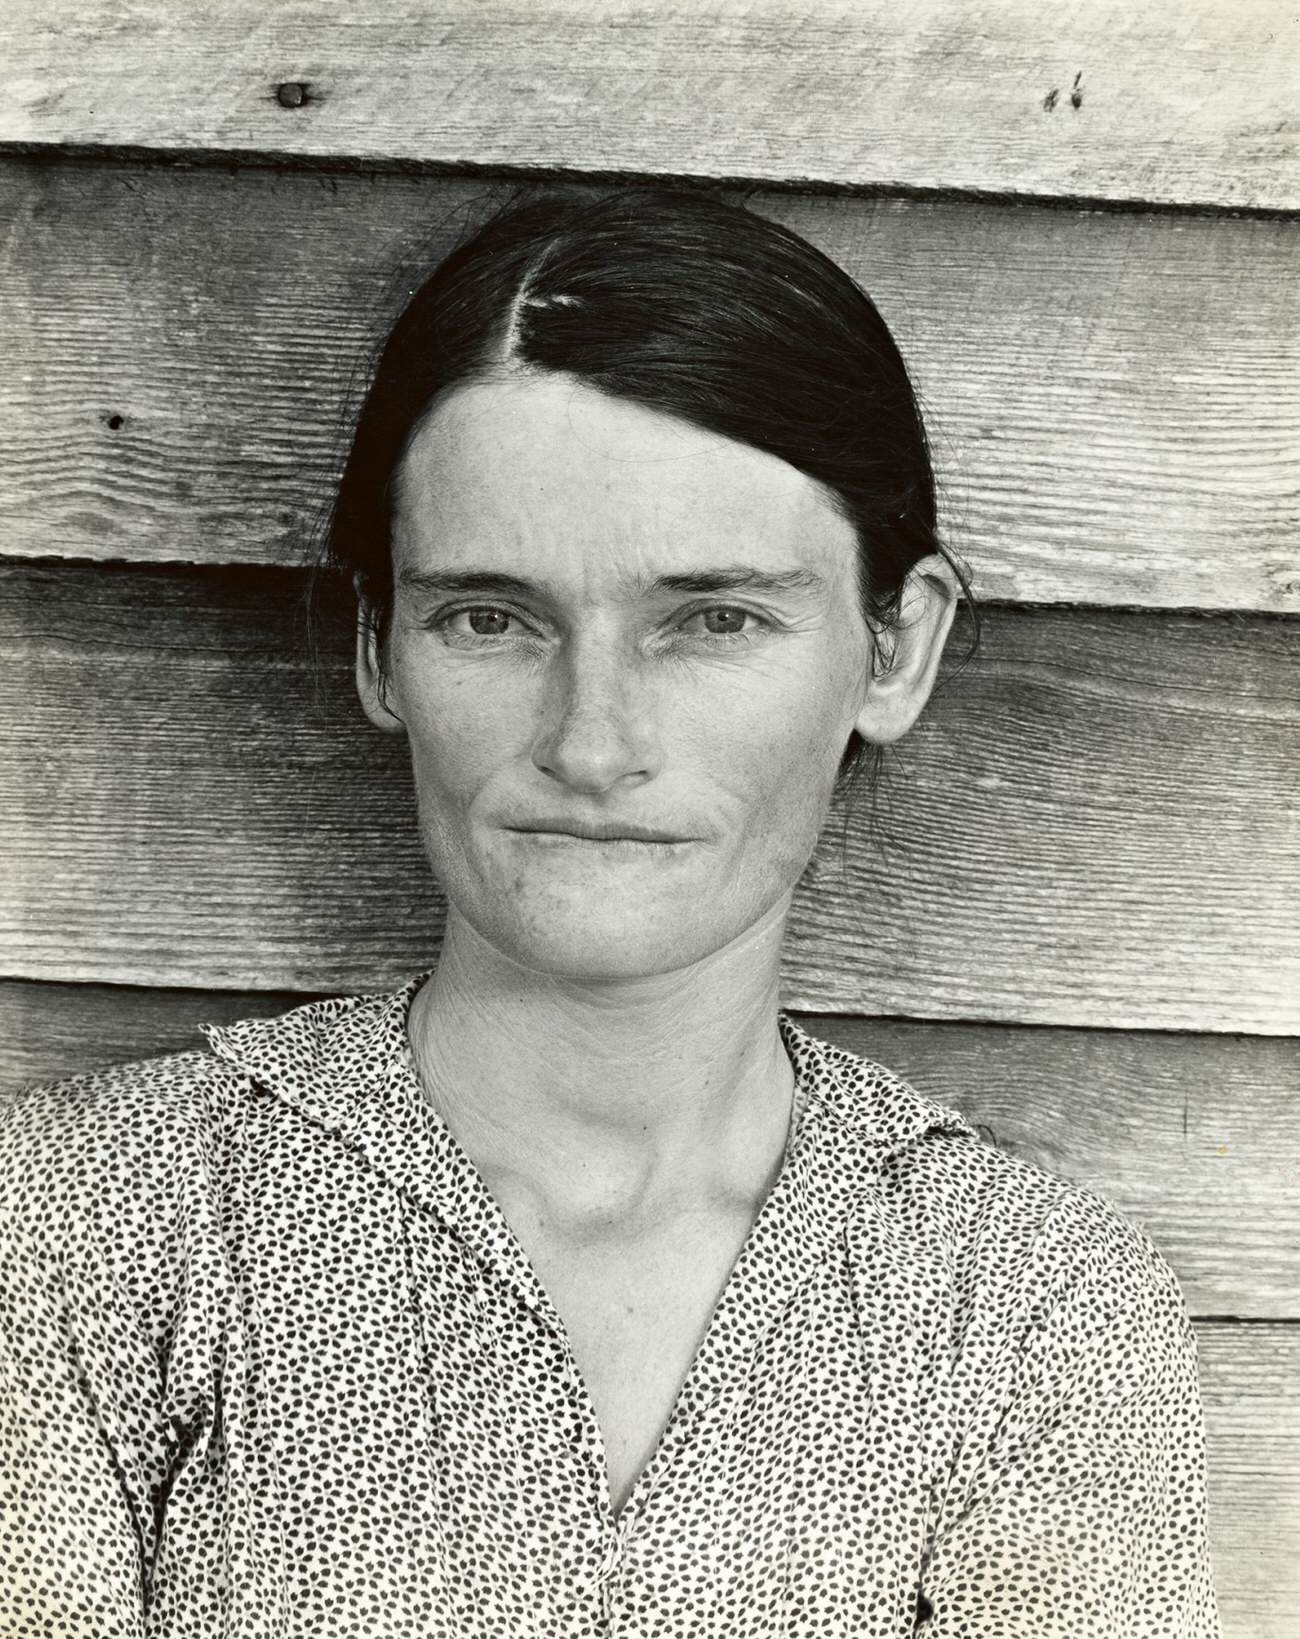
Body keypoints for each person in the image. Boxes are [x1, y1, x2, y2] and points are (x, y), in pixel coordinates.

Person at [0, 186, 1220, 1636]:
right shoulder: (85, 1225)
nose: (592, 743)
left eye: (712, 621)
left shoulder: (1026, 1307)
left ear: (894, 652)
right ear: (380, 646)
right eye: (490, 618)